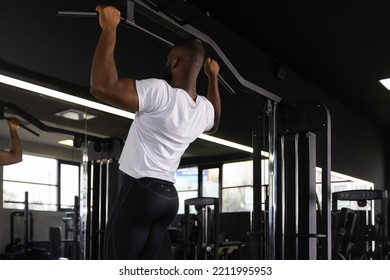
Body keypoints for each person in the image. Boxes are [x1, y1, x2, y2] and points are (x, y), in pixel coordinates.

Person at [90, 6, 221, 259]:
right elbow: (215, 121)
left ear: (174, 62)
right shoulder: (202, 109)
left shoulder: (162, 93)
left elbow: (102, 86)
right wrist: (213, 78)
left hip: (141, 190)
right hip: (168, 198)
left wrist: (109, 29)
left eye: (168, 58)